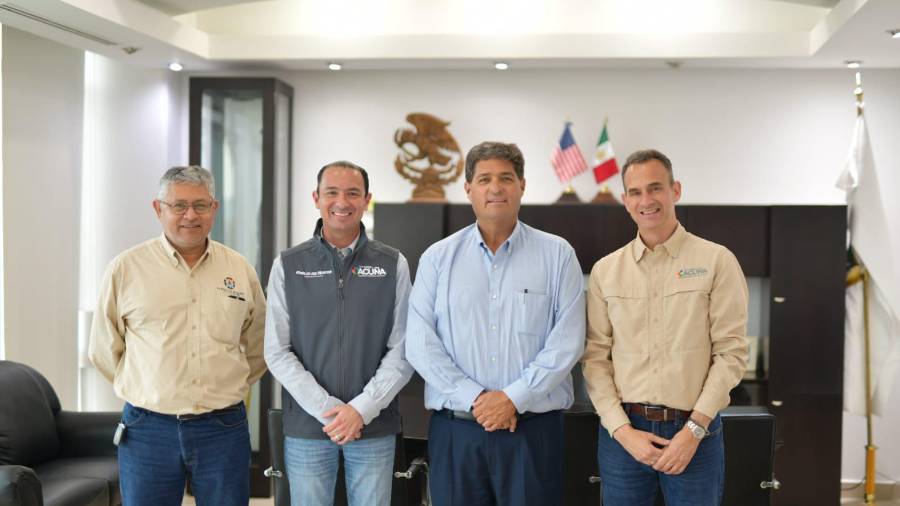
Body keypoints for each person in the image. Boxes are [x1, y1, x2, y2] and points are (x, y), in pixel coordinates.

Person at [406, 141, 585, 506]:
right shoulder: (437, 259)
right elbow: (420, 345)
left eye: (506, 178)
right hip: (456, 431)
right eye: (484, 179)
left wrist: (512, 399)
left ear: (522, 185)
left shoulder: (558, 255)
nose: (496, 188)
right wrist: (477, 399)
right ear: (468, 188)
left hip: (532, 434)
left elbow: (567, 343)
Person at [89, 165, 266, 506]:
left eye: (200, 205)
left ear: (214, 208)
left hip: (222, 428)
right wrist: (147, 386)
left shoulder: (239, 269)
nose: (190, 215)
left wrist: (229, 383)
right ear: (158, 209)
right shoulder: (126, 269)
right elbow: (103, 348)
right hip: (148, 429)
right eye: (179, 205)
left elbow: (258, 342)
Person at [582, 149, 748, 505]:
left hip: (695, 433)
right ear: (625, 200)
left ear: (676, 190)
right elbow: (595, 359)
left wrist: (694, 430)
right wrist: (622, 431)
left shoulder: (717, 261)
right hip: (624, 436)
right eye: (636, 192)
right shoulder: (605, 271)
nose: (646, 200)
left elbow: (731, 354)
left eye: (655, 188)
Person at [264, 161, 414, 506]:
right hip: (309, 427)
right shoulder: (288, 264)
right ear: (316, 198)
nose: (342, 202)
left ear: (367, 200)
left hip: (373, 426)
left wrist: (362, 409)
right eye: (331, 192)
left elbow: (404, 349)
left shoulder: (393, 264)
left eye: (352, 193)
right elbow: (276, 350)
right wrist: (329, 410)